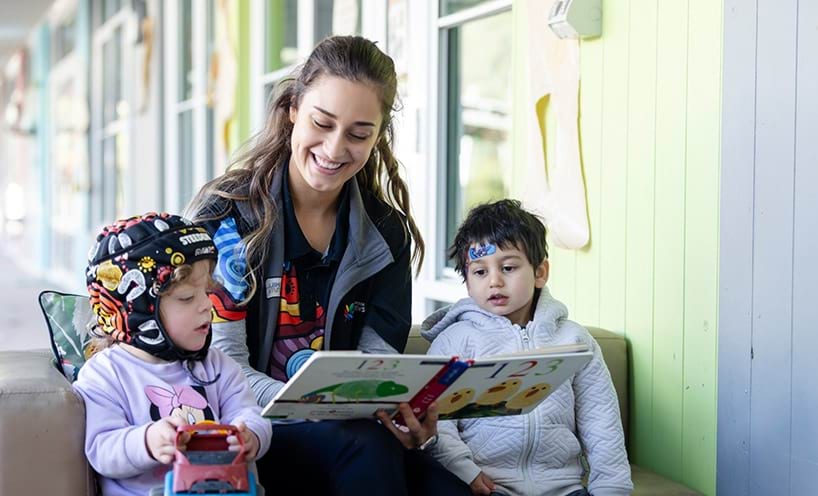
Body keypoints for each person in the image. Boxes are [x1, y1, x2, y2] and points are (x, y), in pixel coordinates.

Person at [187, 36, 470, 495]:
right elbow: (223, 366)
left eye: (359, 134)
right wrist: (313, 406)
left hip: (347, 432)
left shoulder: (385, 235)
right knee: (365, 448)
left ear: (379, 136)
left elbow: (376, 362)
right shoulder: (226, 217)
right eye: (323, 122)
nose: (335, 148)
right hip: (248, 428)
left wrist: (402, 415)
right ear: (294, 108)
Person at [421, 199, 633, 496]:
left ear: (540, 273)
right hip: (484, 487)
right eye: (480, 272)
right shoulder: (455, 341)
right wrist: (464, 470)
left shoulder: (575, 341)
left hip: (565, 489)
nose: (494, 281)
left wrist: (612, 489)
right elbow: (436, 421)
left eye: (508, 267)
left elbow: (602, 423)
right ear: (467, 284)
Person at [73, 212, 272, 496]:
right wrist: (147, 441)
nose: (207, 305)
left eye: (206, 292)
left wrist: (251, 434)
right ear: (139, 310)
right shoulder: (106, 374)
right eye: (187, 298)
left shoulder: (217, 366)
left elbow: (250, 413)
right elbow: (101, 448)